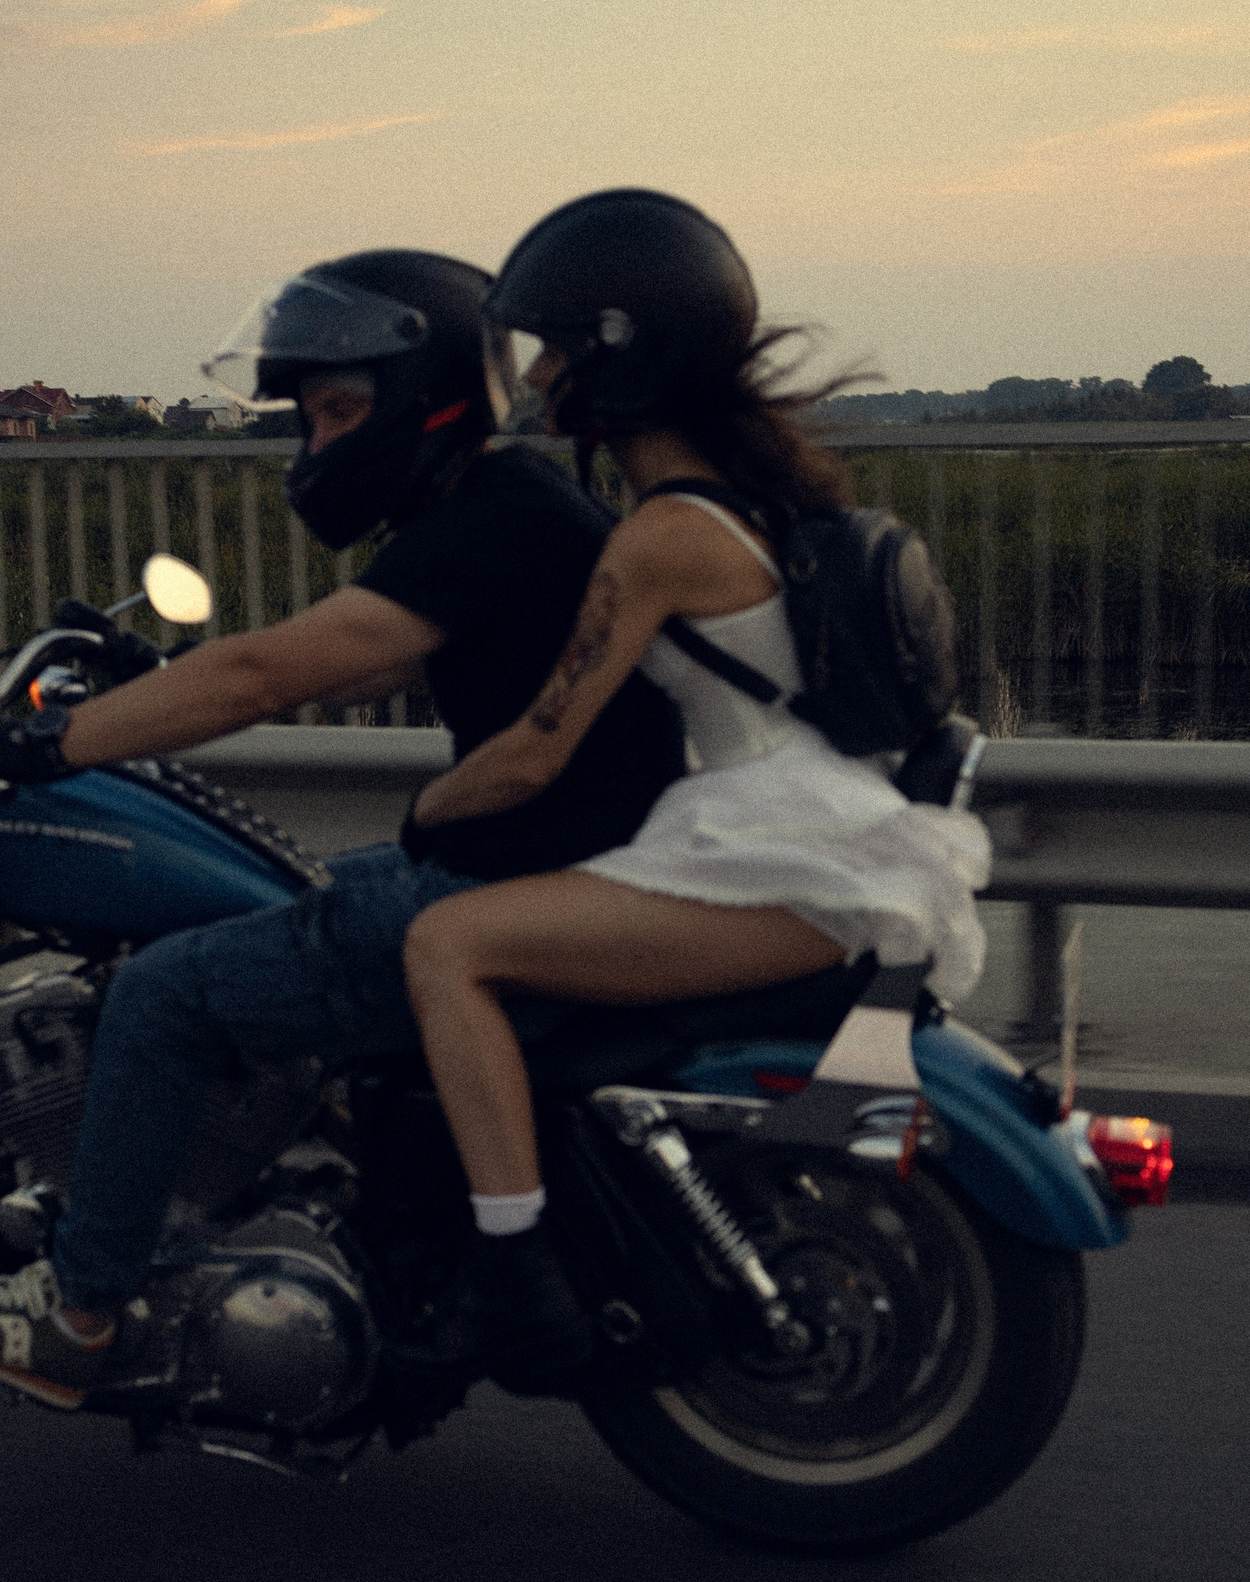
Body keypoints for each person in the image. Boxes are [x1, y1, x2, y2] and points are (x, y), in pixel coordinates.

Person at [0, 249, 684, 1408]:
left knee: (159, 993)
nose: (319, 444)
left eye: (342, 410)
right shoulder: (507, 508)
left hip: (510, 882)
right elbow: (347, 666)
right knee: (286, 900)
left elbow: (267, 675)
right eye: (310, 418)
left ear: (430, 393)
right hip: (564, 867)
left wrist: (37, 743)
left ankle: (83, 1313)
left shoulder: (492, 518)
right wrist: (148, 674)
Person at [397, 190, 992, 1381]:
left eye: (559, 347)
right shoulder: (752, 499)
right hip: (823, 829)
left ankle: (518, 1279)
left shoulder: (661, 535)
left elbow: (536, 748)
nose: (544, 373)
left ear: (623, 352)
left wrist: (423, 814)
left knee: (443, 946)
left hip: (769, 847)